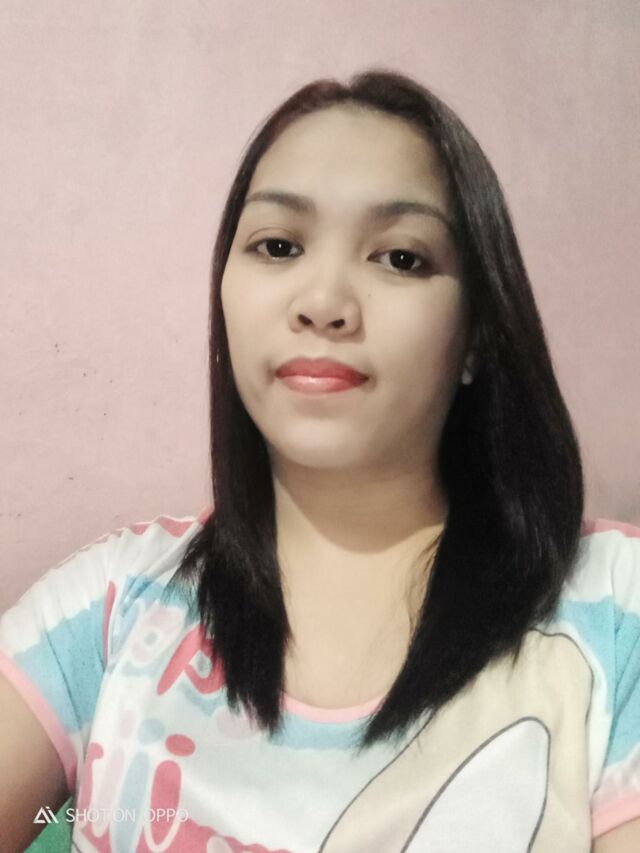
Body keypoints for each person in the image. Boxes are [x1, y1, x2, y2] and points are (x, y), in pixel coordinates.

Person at [0, 68, 638, 853]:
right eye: (278, 246)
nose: (324, 302)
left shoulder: (616, 613)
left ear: (477, 331)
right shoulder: (112, 609)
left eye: (399, 257)